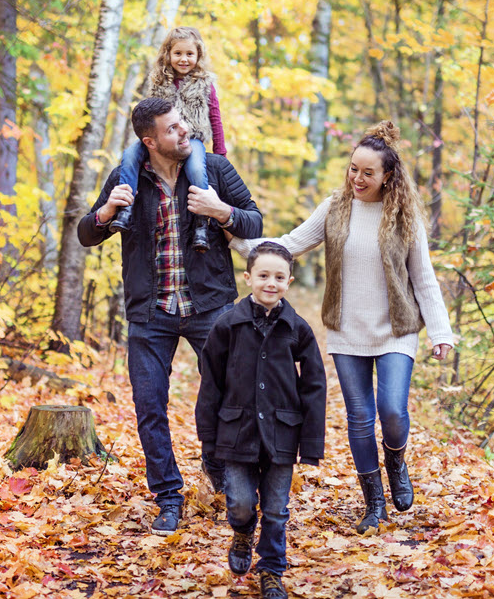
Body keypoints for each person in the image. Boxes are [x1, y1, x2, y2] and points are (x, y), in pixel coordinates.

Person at [229, 120, 455, 536]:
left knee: (391, 410)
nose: (358, 178)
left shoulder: (403, 216)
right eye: (353, 169)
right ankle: (374, 503)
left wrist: (440, 332)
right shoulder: (336, 206)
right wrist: (233, 231)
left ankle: (396, 460)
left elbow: (423, 277)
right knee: (358, 417)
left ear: (389, 176)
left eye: (368, 172)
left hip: (396, 328)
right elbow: (288, 245)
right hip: (347, 330)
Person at [77, 96, 262, 536]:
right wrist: (105, 212)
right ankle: (168, 497)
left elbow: (254, 221)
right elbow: (86, 233)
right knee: (148, 405)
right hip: (150, 311)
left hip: (211, 305)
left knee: (230, 393)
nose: (185, 132)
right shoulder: (128, 178)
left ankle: (215, 461)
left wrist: (221, 212)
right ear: (150, 140)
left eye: (183, 124)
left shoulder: (214, 169)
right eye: (173, 129)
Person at [196, 242, 326, 599]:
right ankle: (241, 532)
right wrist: (208, 438)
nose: (271, 283)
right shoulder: (227, 326)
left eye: (279, 277)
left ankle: (271, 569)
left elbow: (315, 385)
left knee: (276, 509)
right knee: (239, 502)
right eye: (264, 275)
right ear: (248, 277)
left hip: (283, 434)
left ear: (290, 281)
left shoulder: (297, 328)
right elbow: (211, 382)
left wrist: (312, 444)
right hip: (236, 432)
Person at [112, 26, 226, 253]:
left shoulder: (205, 83)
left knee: (195, 167)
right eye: (178, 53)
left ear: (198, 55)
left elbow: (215, 116)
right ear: (168, 54)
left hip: (190, 138)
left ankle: (201, 223)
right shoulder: (158, 81)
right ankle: (125, 209)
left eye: (189, 54)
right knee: (130, 155)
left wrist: (220, 152)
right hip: (161, 137)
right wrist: (145, 141)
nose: (184, 59)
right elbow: (147, 114)